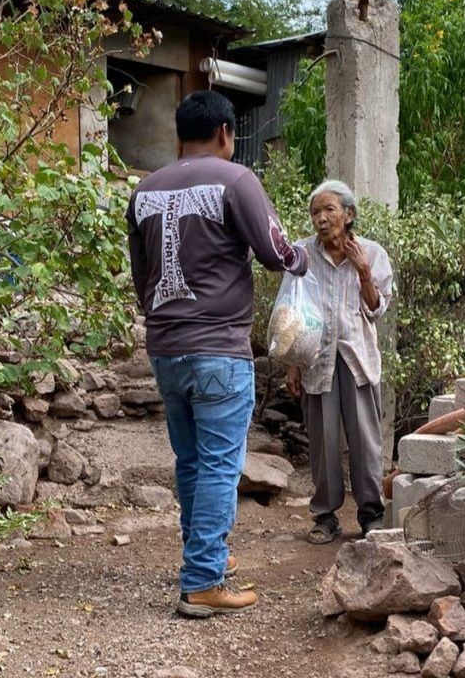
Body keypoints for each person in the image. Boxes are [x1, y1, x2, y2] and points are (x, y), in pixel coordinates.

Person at [127, 90, 308, 617]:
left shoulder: (143, 191)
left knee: (191, 462)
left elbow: (143, 281)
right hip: (219, 349)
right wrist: (304, 259)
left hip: (165, 346)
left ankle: (201, 562)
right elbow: (276, 254)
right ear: (227, 133)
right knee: (221, 467)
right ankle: (204, 579)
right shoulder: (237, 180)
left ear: (180, 135)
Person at [286, 180, 393, 544]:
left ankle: (371, 515)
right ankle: (326, 517)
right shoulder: (302, 254)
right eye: (315, 212)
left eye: (329, 210)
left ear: (348, 215)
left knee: (365, 441)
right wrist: (292, 362)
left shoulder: (372, 253)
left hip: (357, 358)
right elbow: (292, 311)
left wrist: (363, 271)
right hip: (316, 359)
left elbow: (378, 310)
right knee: (323, 441)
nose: (321, 218)